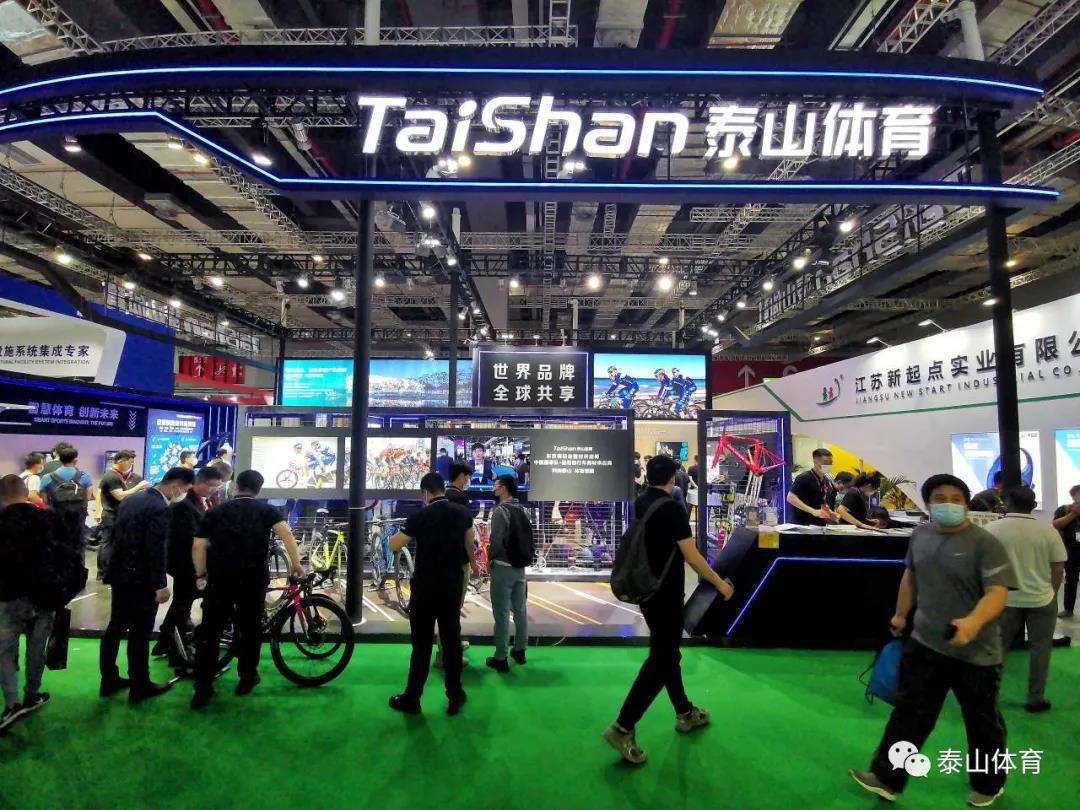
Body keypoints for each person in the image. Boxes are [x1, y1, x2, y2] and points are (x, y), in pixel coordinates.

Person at [850, 473, 1017, 807]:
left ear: (966, 504)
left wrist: (972, 622)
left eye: (956, 499)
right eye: (940, 498)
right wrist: (900, 615)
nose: (948, 504)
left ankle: (989, 784)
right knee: (910, 713)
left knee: (982, 721)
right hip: (925, 644)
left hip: (977, 652)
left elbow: (998, 593)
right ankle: (887, 778)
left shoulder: (985, 543)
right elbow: (911, 576)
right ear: (928, 504)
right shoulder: (921, 534)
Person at [603, 455, 734, 766]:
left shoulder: (641, 501)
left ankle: (685, 712)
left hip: (647, 590)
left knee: (667, 653)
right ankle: (623, 727)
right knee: (662, 658)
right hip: (666, 594)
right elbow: (692, 556)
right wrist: (719, 583)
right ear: (672, 478)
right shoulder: (673, 508)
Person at [190, 470, 303, 709]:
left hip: (220, 580)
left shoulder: (216, 511)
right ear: (258, 490)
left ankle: (202, 687)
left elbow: (198, 546)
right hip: (252, 580)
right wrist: (296, 564)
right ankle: (247, 678)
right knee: (250, 629)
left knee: (210, 632)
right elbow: (287, 535)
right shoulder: (267, 511)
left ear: (236, 486)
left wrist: (201, 574)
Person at [99, 467, 195, 704]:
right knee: (140, 632)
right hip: (141, 578)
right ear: (176, 486)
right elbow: (156, 548)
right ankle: (140, 684)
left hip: (120, 573)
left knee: (116, 627)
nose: (182, 494)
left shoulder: (133, 499)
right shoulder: (160, 508)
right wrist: (160, 584)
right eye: (184, 490)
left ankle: (109, 679)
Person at [387, 473, 474, 716]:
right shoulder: (462, 514)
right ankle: (455, 695)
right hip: (451, 585)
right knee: (451, 642)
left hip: (425, 588)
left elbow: (394, 544)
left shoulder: (420, 516)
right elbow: (469, 544)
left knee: (422, 646)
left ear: (425, 493)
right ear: (443, 489)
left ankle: (412, 698)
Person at [0, 475, 72, 730]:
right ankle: (32, 694)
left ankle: (11, 703)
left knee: (5, 651)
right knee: (37, 648)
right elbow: (68, 555)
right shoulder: (49, 518)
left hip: (8, 597)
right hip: (44, 597)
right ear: (25, 492)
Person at [986, 486, 1067, 713]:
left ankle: (988, 697)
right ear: (1033, 505)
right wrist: (1051, 593)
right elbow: (1058, 568)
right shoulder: (1048, 531)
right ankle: (1035, 699)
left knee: (997, 649)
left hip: (1003, 599)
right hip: (1041, 599)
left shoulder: (992, 529)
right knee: (1041, 650)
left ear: (1007, 503)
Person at [155, 466, 224, 668]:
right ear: (199, 483)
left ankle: (165, 642)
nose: (214, 490)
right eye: (211, 486)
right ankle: (176, 651)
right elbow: (189, 538)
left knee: (182, 603)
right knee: (182, 605)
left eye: (217, 486)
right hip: (185, 564)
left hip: (192, 562)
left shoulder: (203, 501)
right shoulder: (183, 505)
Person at [486, 475, 532, 673]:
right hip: (520, 567)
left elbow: (496, 541)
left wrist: (490, 559)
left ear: (503, 488)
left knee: (502, 612)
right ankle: (520, 650)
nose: (494, 489)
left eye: (496, 486)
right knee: (520, 610)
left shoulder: (500, 511)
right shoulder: (523, 510)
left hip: (503, 566)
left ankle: (501, 657)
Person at [96, 450, 150, 581]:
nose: (131, 464)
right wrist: (137, 487)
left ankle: (116, 570)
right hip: (111, 515)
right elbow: (119, 496)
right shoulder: (111, 477)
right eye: (129, 462)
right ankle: (103, 572)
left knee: (121, 543)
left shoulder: (132, 477)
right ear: (120, 461)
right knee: (107, 543)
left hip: (124, 515)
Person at [39, 446, 94, 554]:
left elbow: (45, 502)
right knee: (78, 547)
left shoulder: (47, 478)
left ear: (60, 459)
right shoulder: (85, 477)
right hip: (78, 519)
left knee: (57, 547)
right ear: (75, 460)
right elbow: (87, 499)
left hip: (56, 519)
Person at [786, 449, 838, 526]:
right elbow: (791, 498)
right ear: (815, 461)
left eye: (830, 463)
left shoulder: (825, 480)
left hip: (818, 524)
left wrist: (829, 512)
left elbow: (820, 500)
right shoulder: (804, 478)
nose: (828, 466)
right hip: (803, 524)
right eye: (825, 462)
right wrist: (813, 511)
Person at [1051, 484, 1080, 618]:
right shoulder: (1064, 509)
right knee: (1071, 580)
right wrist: (1073, 514)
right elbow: (1056, 524)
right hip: (1071, 550)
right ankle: (1068, 609)